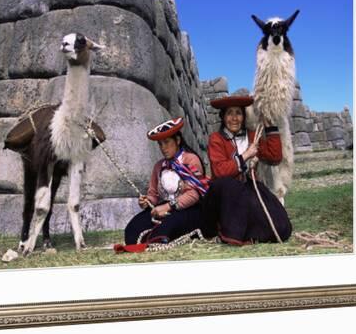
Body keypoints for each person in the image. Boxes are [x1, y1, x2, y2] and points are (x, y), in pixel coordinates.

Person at [201, 95, 292, 245]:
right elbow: (220, 171)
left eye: (238, 113)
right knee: (228, 185)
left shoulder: (251, 137)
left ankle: (249, 234)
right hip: (223, 194)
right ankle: (231, 234)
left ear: (244, 117)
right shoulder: (216, 139)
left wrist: (269, 125)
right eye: (230, 113)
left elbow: (274, 157)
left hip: (248, 188)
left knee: (281, 226)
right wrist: (246, 155)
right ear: (223, 117)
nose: (234, 118)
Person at [123, 117, 209, 247]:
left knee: (165, 230)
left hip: (188, 209)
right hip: (163, 208)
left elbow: (194, 194)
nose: (163, 148)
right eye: (160, 144)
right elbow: (153, 194)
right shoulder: (159, 166)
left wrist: (168, 207)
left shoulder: (190, 160)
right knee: (131, 230)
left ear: (178, 140)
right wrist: (147, 201)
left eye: (167, 142)